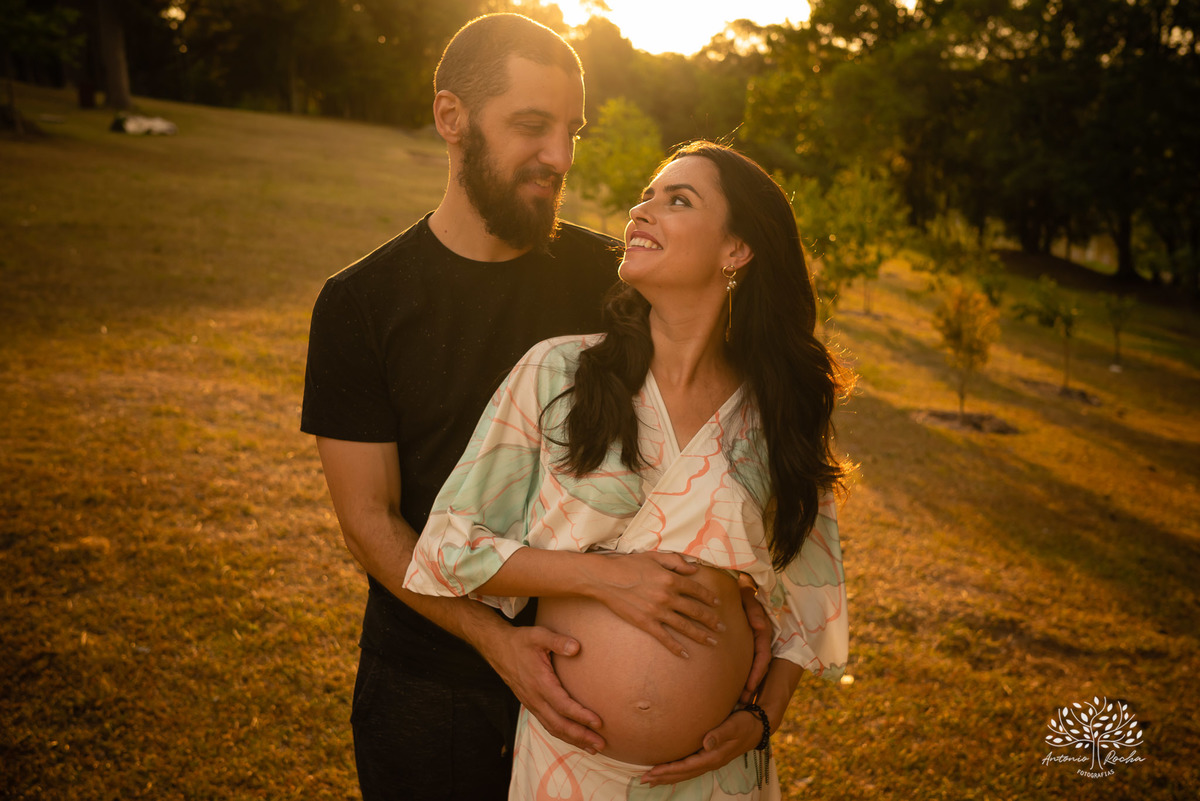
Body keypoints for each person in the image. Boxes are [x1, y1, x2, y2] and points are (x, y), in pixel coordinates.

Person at [301, 14, 763, 801]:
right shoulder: (360, 305)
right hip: (432, 686)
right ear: (452, 118)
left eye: (571, 131)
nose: (558, 156)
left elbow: (717, 428)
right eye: (531, 126)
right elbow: (370, 521)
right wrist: (495, 639)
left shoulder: (617, 280)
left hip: (597, 714)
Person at [404, 141, 850, 799]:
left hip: (719, 779)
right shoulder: (557, 372)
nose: (642, 210)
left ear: (737, 250)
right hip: (568, 769)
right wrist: (603, 577)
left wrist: (764, 714)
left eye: (678, 200)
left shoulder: (778, 410)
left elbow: (811, 588)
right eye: (646, 194)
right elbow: (447, 549)